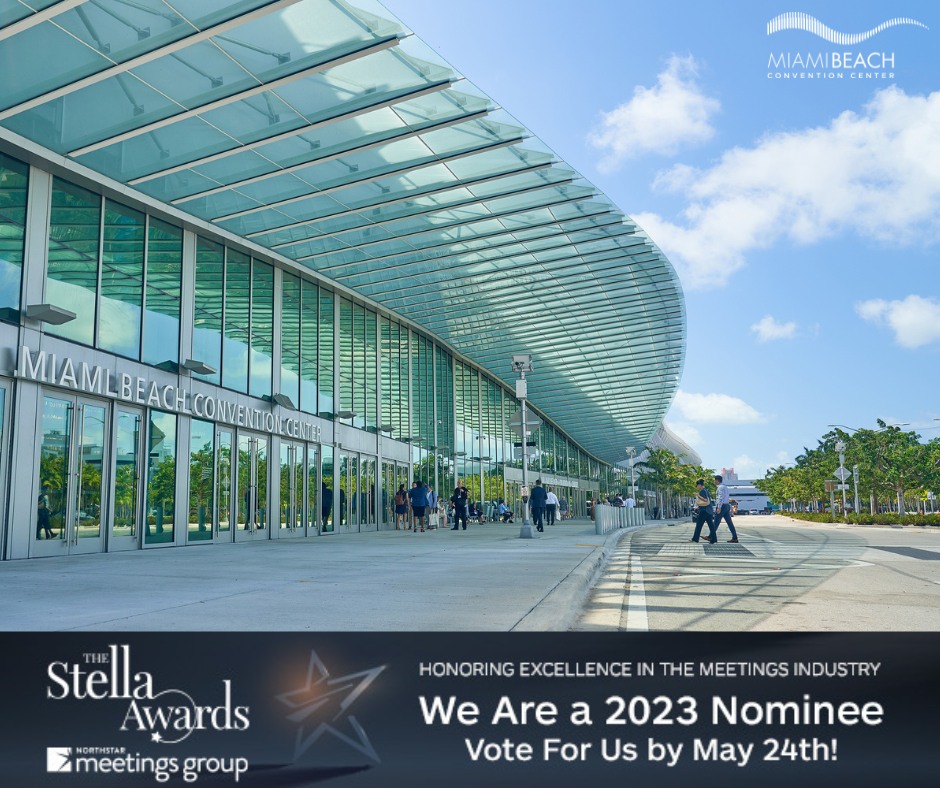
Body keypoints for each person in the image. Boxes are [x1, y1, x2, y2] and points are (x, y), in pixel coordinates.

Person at [713, 475, 739, 542]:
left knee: (716, 521)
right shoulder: (725, 487)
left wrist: (719, 507)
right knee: (729, 523)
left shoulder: (720, 487)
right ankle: (735, 537)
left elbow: (720, 497)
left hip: (722, 506)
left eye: (714, 480)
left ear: (717, 480)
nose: (714, 482)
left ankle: (711, 536)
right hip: (727, 505)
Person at [690, 479, 717, 544]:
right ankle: (714, 539)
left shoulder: (702, 491)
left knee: (699, 525)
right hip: (709, 511)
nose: (697, 487)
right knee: (711, 526)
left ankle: (695, 539)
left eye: (697, 485)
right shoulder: (706, 490)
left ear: (700, 485)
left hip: (704, 511)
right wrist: (698, 507)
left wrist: (698, 495)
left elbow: (705, 500)